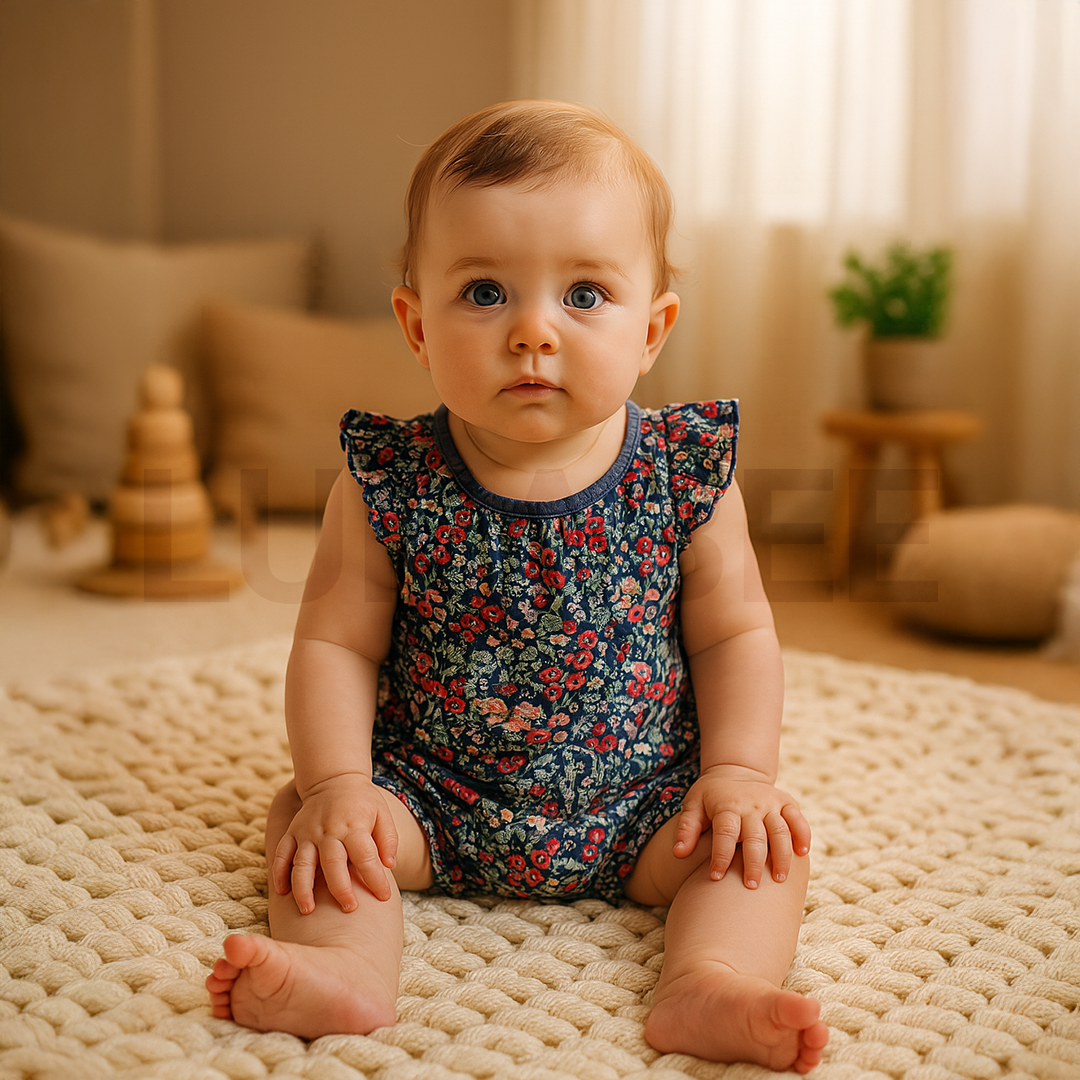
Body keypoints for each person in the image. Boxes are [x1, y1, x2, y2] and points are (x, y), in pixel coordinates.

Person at [205, 100, 829, 1073]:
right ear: (417, 324)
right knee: (310, 824)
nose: (534, 332)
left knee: (760, 847)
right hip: (428, 797)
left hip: (644, 801)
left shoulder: (684, 470)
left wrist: (737, 775)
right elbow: (335, 643)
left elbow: (734, 634)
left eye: (585, 295)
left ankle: (709, 979)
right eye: (486, 292)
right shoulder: (387, 479)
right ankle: (343, 968)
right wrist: (341, 786)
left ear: (652, 328)